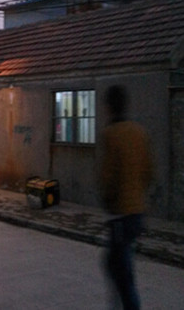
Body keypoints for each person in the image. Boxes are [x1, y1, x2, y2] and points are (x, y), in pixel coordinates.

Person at [101, 85, 153, 310]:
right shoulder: (139, 132)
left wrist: (109, 201)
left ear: (110, 107)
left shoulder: (111, 134)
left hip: (120, 214)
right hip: (137, 211)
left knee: (120, 271)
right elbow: (149, 172)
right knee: (119, 265)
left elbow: (108, 176)